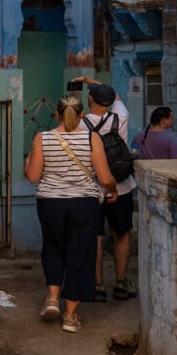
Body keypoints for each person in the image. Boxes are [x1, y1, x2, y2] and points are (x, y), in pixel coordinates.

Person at [25, 95, 117, 333]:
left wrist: (28, 162)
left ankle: (53, 298)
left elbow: (33, 176)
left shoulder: (42, 138)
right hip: (83, 203)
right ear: (82, 115)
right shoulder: (91, 138)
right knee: (80, 253)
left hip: (50, 202)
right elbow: (105, 178)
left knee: (53, 246)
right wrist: (112, 189)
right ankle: (70, 315)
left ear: (56, 114)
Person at [72, 75, 137, 301]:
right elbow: (115, 96)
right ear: (110, 101)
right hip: (121, 186)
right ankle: (120, 282)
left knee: (96, 237)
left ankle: (97, 285)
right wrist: (92, 80)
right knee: (122, 234)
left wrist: (82, 82)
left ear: (90, 99)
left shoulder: (80, 123)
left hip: (91, 188)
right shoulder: (122, 116)